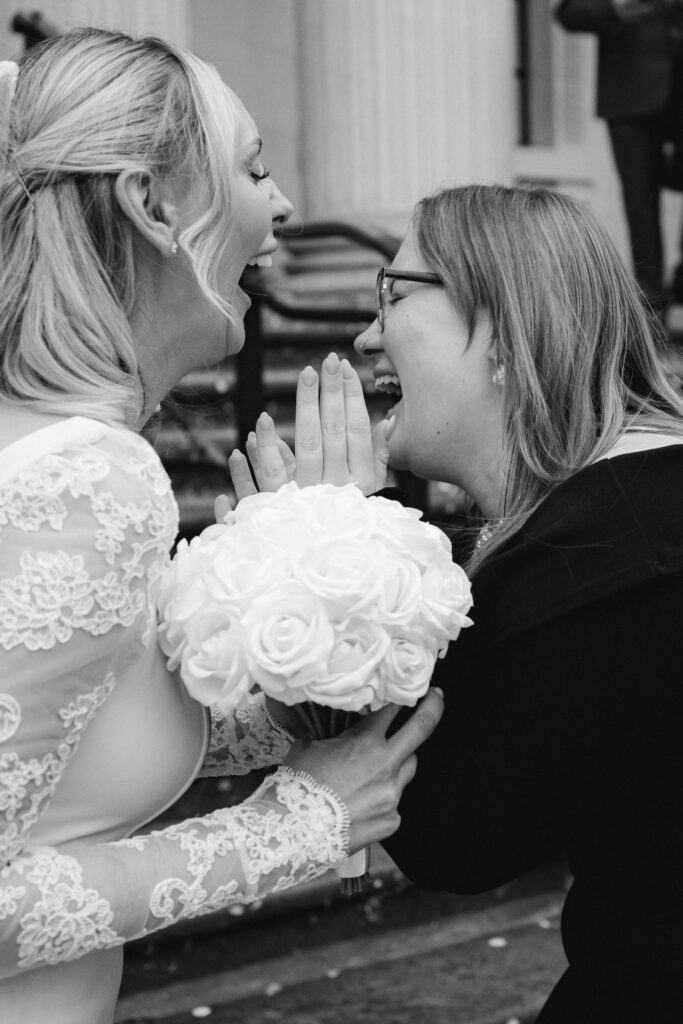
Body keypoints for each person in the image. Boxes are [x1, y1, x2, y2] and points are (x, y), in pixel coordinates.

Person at [0, 28, 444, 1024]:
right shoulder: (85, 479)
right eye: (252, 169)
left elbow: (51, 754)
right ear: (152, 206)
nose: (282, 205)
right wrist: (295, 825)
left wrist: (291, 689)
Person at [235, 184, 683, 1022]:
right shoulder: (628, 513)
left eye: (392, 295)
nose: (365, 334)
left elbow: (457, 839)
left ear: (507, 330)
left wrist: (339, 569)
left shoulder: (598, 556)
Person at [555, 0, 683, 315]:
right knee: (639, 197)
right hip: (629, 88)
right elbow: (568, 11)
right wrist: (613, 8)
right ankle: (652, 301)